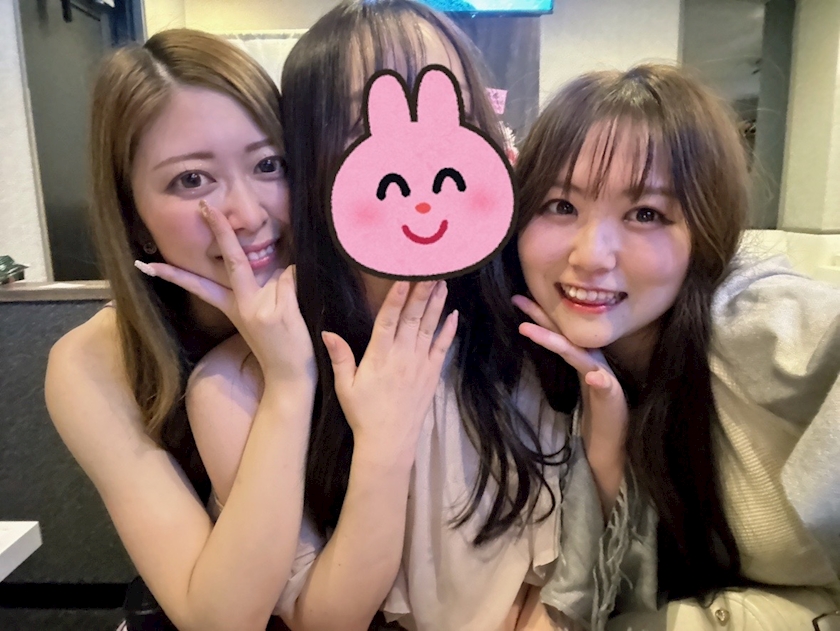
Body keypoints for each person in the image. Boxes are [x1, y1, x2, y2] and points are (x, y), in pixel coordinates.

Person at [159, 1, 569, 629]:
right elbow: (321, 619)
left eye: (447, 111)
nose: (417, 157)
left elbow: (572, 565)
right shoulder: (239, 385)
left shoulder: (530, 323)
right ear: (306, 159)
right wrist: (383, 445)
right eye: (367, 123)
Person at [507, 63, 840, 630]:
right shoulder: (539, 366)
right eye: (561, 205)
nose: (591, 256)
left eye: (646, 214)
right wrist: (607, 456)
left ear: (706, 232)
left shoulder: (754, 326)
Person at [45, 29, 315, 631]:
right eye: (192, 180)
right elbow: (220, 619)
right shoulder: (95, 363)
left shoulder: (353, 306)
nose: (248, 214)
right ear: (134, 218)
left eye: (269, 165)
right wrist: (288, 382)